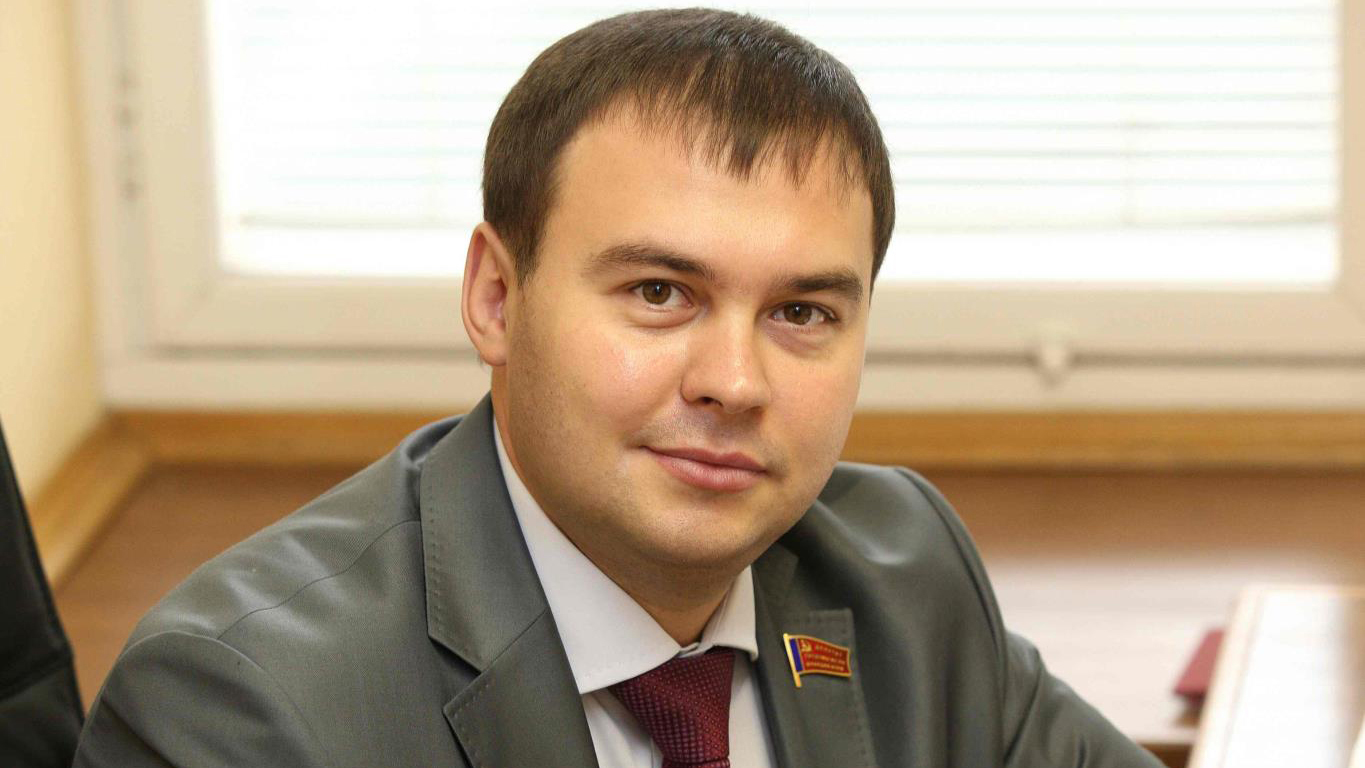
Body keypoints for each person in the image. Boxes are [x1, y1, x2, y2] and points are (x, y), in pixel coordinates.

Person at [73, 8, 1164, 767]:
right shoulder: (242, 705)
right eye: (658, 293)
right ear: (496, 300)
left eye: (801, 313)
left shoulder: (902, 572)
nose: (733, 382)